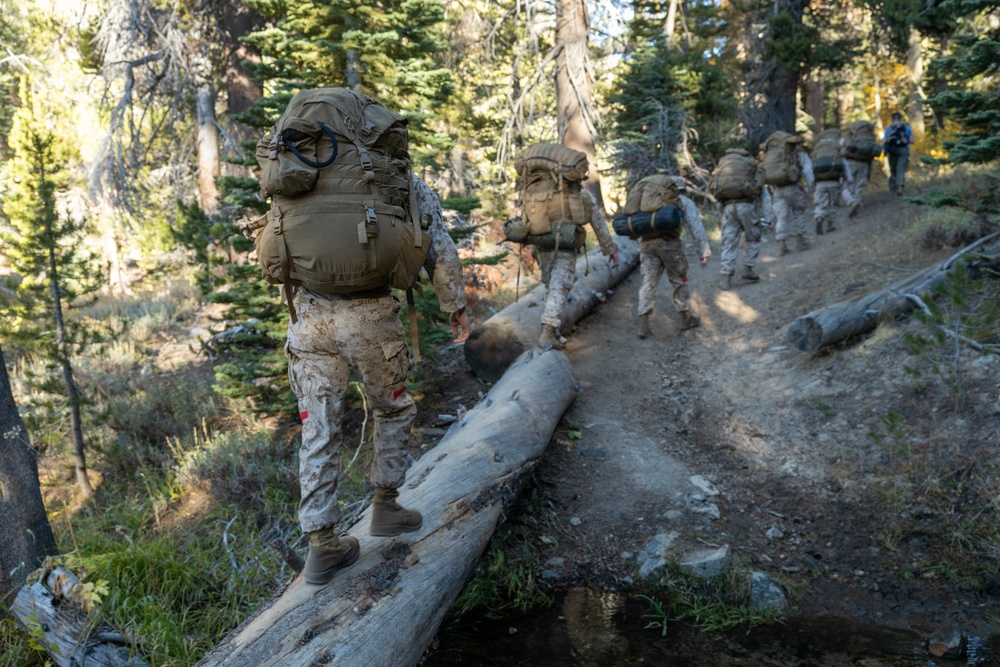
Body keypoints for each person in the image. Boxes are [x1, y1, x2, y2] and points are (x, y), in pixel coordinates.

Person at [288, 174, 470, 586]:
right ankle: (386, 506)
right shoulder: (397, 173)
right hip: (370, 316)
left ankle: (321, 544)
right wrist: (455, 305)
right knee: (391, 408)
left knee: (318, 426)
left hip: (308, 318)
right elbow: (436, 242)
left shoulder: (298, 175)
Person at [538, 188, 619, 349]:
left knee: (550, 285)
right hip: (565, 242)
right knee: (560, 286)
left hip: (541, 243)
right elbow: (597, 221)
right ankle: (547, 333)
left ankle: (553, 332)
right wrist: (610, 249)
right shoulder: (578, 191)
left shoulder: (538, 189)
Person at [636, 176, 711, 337]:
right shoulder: (682, 201)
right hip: (670, 245)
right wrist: (703, 251)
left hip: (647, 245)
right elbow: (695, 226)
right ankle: (685, 318)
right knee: (679, 280)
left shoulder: (646, 200)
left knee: (648, 282)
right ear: (681, 188)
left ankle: (643, 324)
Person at [717, 165, 773, 291]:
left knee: (729, 242)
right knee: (753, 237)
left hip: (728, 207)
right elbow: (765, 197)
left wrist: (722, 215)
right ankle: (748, 268)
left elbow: (719, 198)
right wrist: (769, 218)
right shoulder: (753, 171)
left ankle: (726, 278)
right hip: (747, 206)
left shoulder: (725, 174)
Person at [771, 136, 815, 256]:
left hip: (778, 189)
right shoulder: (800, 155)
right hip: (795, 188)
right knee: (799, 213)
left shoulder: (776, 157)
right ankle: (800, 241)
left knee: (781, 216)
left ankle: (782, 244)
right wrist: (810, 189)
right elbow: (808, 172)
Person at [811, 132, 852, 236]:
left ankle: (819, 217)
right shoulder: (837, 153)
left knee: (821, 203)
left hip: (820, 183)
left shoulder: (818, 154)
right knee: (832, 204)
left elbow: (811, 171)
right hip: (834, 182)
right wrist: (848, 181)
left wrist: (811, 186)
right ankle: (829, 225)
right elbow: (846, 169)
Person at [884, 112, 915, 195]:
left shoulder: (889, 129)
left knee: (893, 169)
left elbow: (885, 141)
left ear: (892, 119)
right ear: (900, 119)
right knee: (901, 168)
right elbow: (912, 141)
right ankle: (900, 186)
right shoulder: (906, 128)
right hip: (903, 149)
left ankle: (893, 186)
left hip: (892, 150)